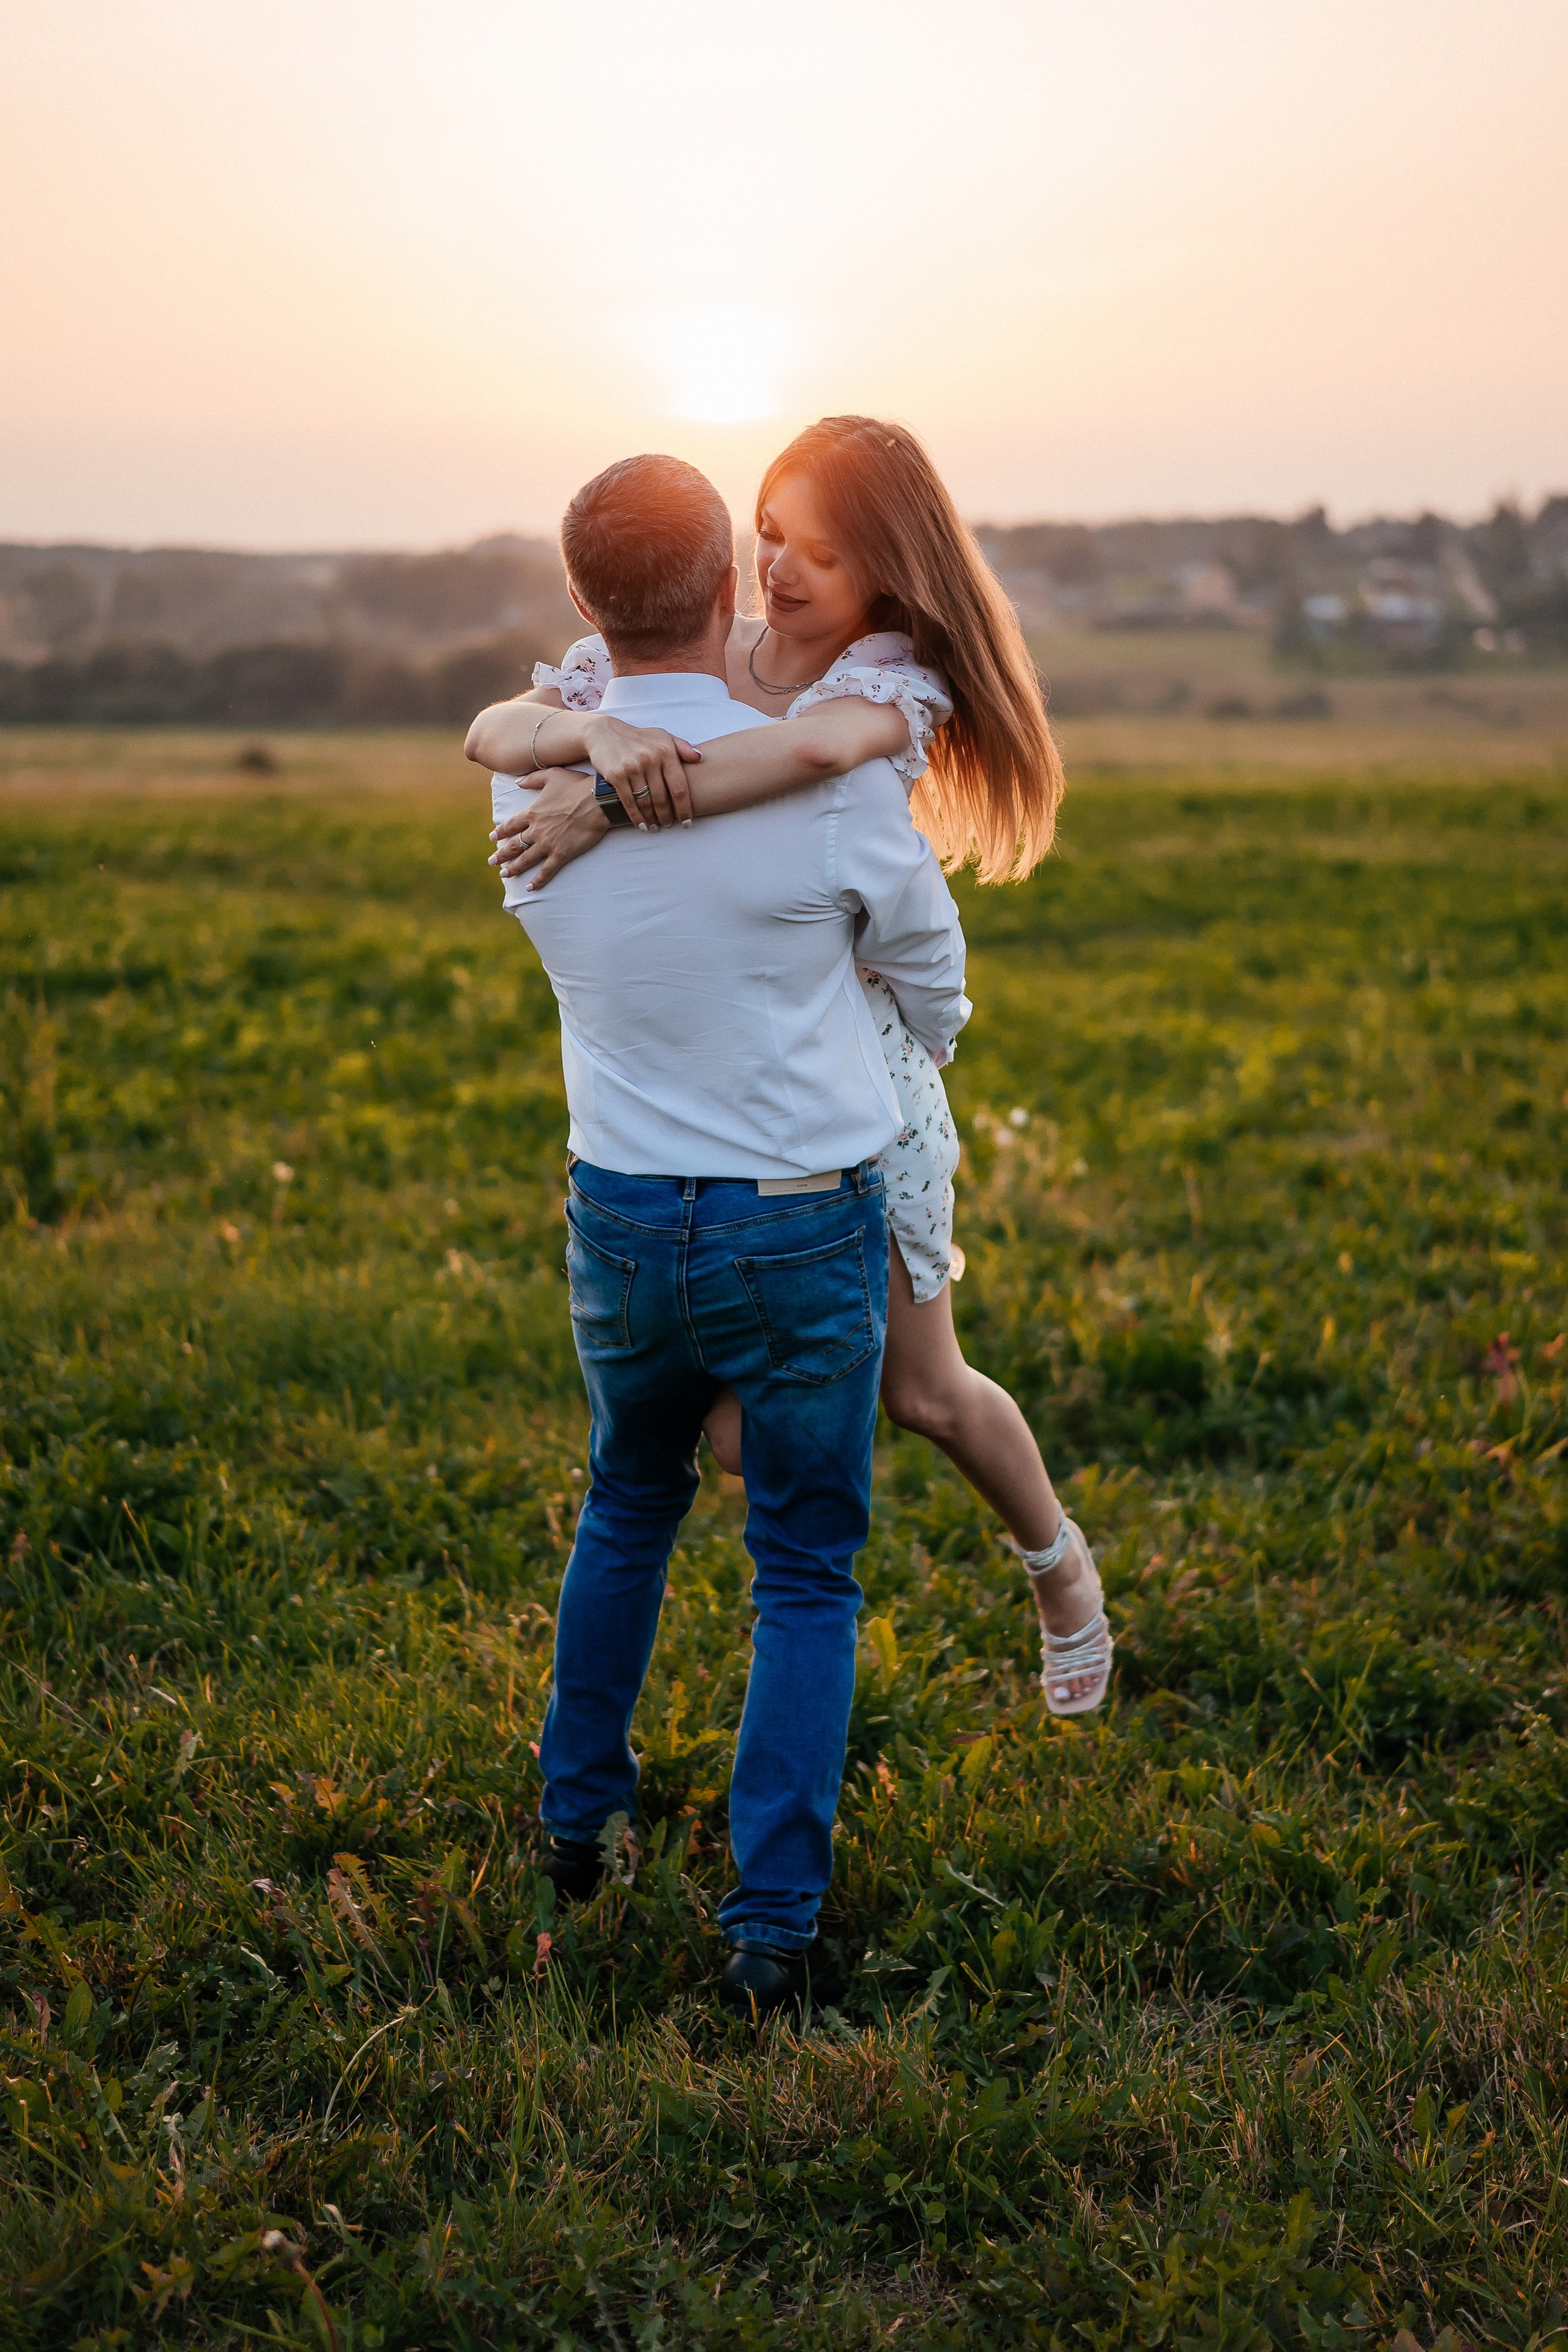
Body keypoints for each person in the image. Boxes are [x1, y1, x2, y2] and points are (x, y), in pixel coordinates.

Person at [470, 417, 1112, 1716]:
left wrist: (600, 795)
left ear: (887, 577)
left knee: (926, 1392)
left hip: (866, 1076)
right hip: (733, 1087)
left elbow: (801, 762)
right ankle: (802, 1576)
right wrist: (583, 738)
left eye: (821, 551)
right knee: (734, 1424)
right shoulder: (678, 654)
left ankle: (1059, 1571)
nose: (781, 569)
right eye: (768, 532)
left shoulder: (877, 690)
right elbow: (492, 725)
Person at [494, 451, 970, 2016]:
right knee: (805, 1571)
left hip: (620, 1215)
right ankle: (769, 1927)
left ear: (580, 611)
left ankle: (576, 1824)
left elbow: (517, 731)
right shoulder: (832, 790)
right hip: (795, 1223)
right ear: (725, 592)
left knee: (625, 1503)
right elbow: (931, 981)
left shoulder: (532, 797)